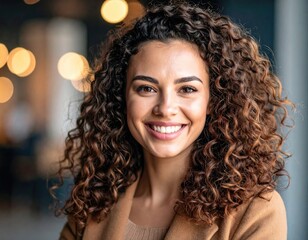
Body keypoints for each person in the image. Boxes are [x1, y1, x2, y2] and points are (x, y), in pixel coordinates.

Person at [55, 2, 293, 239]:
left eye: (187, 89)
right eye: (146, 88)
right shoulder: (93, 200)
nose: (165, 108)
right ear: (121, 96)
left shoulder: (256, 211)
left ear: (214, 100)